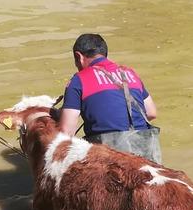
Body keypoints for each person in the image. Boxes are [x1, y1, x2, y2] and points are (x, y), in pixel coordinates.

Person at [59, 34, 162, 163]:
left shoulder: (78, 80)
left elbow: (66, 132)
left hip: (108, 157)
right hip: (146, 154)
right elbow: (152, 112)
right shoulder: (129, 73)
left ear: (78, 57)